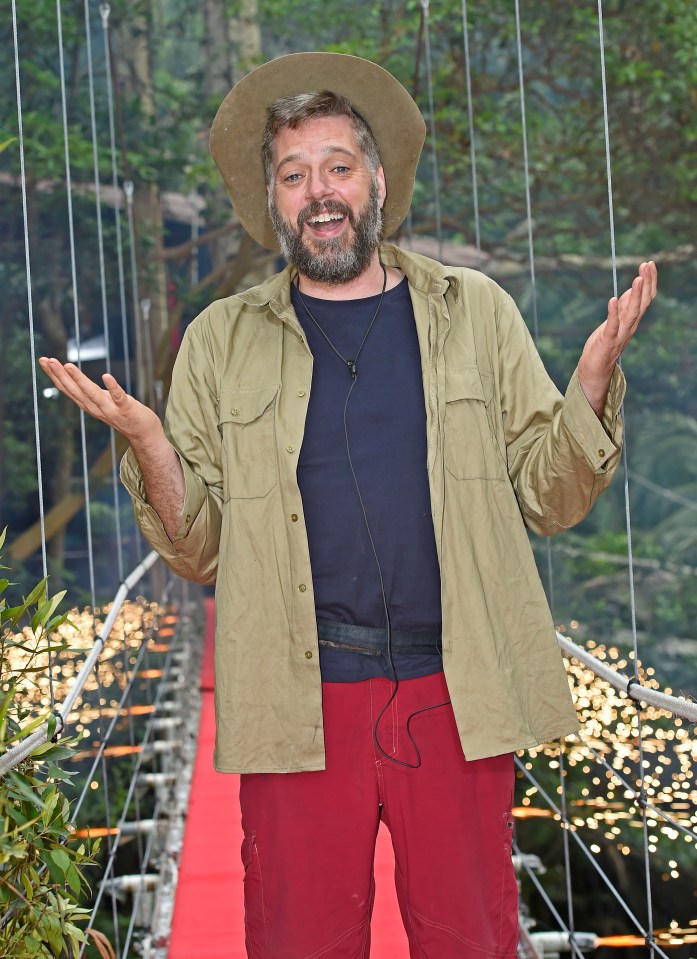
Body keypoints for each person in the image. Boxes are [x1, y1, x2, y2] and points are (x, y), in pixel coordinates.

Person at [40, 52, 657, 959]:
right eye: (294, 175)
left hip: (454, 694)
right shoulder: (219, 340)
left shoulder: (474, 311)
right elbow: (198, 550)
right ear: (272, 200)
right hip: (297, 706)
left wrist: (591, 386)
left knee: (472, 941)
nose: (318, 191)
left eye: (337, 166)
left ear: (375, 180)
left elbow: (546, 493)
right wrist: (152, 446)